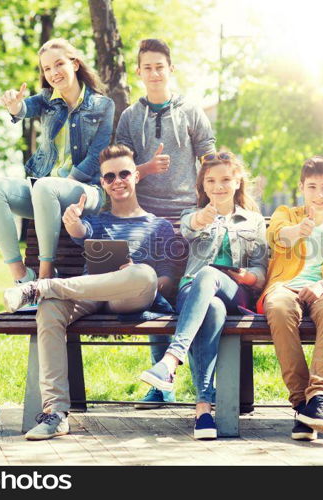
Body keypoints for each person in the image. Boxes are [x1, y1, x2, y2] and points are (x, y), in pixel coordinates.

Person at [1, 144, 178, 441]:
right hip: (89, 296)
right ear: (104, 184)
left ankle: (42, 288)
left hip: (132, 297)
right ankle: (55, 413)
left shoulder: (158, 226)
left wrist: (132, 276)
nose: (117, 180)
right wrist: (72, 224)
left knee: (143, 273)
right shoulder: (96, 222)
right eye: (109, 177)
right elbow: (81, 232)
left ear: (136, 176)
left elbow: (167, 282)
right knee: (50, 308)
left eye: (124, 173)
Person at [115, 38, 216, 408]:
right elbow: (121, 171)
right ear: (139, 72)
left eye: (160, 66)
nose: (154, 73)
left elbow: (210, 157)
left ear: (170, 69)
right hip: (147, 219)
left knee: (190, 291)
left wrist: (212, 203)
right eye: (147, 67)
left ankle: (204, 385)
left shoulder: (191, 111)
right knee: (154, 294)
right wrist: (145, 169)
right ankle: (162, 384)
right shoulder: (129, 117)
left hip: (187, 215)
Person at [139, 152, 267, 439]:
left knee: (209, 274)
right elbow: (189, 227)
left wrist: (251, 276)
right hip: (193, 292)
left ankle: (171, 360)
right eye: (210, 180)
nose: (218, 186)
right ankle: (203, 411)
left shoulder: (254, 220)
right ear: (203, 185)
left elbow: (261, 269)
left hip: (237, 291)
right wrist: (203, 217)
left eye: (224, 180)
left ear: (237, 182)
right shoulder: (193, 215)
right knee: (212, 308)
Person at [0, 38, 114, 284]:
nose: (53, 73)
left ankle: (45, 277)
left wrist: (62, 184)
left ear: (74, 64)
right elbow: (23, 109)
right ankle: (22, 278)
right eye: (46, 69)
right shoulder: (46, 99)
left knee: (45, 185)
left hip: (87, 191)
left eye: (59, 64)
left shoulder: (103, 105)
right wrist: (14, 106)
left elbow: (98, 155)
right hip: (45, 193)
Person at [258, 156, 323, 441]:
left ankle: (320, 397)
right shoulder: (286, 214)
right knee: (278, 307)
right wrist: (296, 232)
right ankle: (302, 405)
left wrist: (322, 285)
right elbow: (275, 235)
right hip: (285, 286)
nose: (319, 194)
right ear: (301, 188)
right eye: (312, 187)